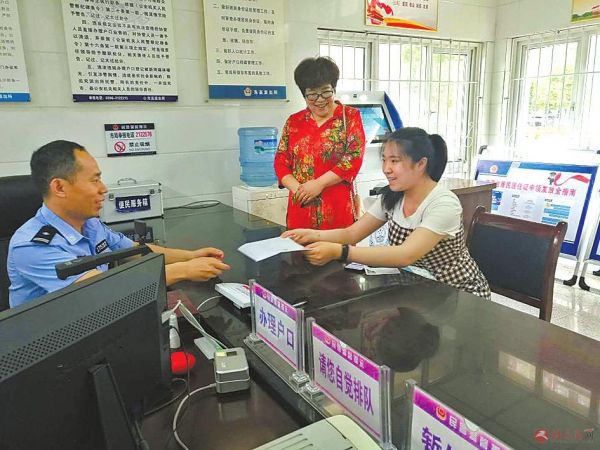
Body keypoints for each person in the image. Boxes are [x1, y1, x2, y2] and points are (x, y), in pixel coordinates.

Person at [8, 140, 230, 308]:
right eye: (94, 180)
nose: (103, 188)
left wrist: (190, 256)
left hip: (97, 316)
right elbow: (101, 287)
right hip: (50, 341)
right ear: (59, 187)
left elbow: (137, 252)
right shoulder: (32, 246)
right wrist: (184, 270)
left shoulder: (90, 224)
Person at [282, 127, 491, 299]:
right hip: (418, 290)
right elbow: (352, 233)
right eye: (384, 160)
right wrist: (311, 234)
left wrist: (341, 252)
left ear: (421, 164)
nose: (386, 168)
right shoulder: (392, 196)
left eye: (394, 161)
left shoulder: (444, 204)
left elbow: (405, 255)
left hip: (456, 295)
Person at [274, 56, 366, 230]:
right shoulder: (294, 122)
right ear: (304, 94)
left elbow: (352, 159)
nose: (320, 99)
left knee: (338, 247)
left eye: (326, 92)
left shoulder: (350, 117)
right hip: (301, 210)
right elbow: (281, 161)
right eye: (312, 94)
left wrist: (318, 184)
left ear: (334, 88)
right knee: (298, 247)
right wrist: (300, 190)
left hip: (337, 210)